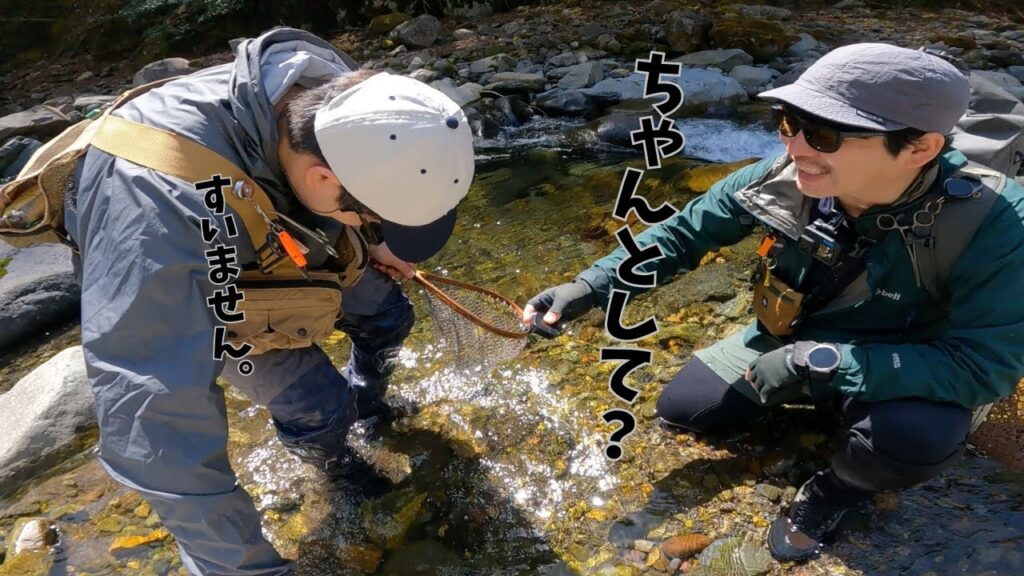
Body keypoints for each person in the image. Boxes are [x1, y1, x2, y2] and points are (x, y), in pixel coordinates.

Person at [524, 43, 1024, 561]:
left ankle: (837, 492)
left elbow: (980, 367)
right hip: (801, 332)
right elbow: (682, 236)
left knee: (914, 437)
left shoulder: (998, 224)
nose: (796, 147)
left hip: (914, 355)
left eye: (824, 134)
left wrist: (821, 365)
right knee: (687, 410)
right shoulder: (784, 178)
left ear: (920, 147)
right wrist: (590, 287)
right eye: (788, 122)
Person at [62, 28, 475, 576]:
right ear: (325, 179)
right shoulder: (150, 205)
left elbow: (337, 188)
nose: (380, 230)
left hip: (284, 213)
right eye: (375, 216)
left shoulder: (340, 92)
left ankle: (369, 408)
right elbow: (156, 425)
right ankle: (335, 463)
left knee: (388, 315)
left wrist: (375, 240)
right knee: (318, 403)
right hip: (204, 265)